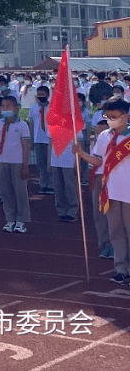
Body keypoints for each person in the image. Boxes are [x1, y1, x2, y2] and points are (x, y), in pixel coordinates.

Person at [74, 98, 130, 284]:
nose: (111, 120)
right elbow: (98, 161)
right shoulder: (105, 136)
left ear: (125, 116)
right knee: (116, 232)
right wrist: (81, 154)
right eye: (108, 117)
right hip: (111, 192)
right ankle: (121, 270)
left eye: (114, 116)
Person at [0, 95, 31, 233]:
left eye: (8, 106)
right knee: (6, 192)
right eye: (3, 106)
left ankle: (21, 220)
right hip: (2, 161)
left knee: (20, 192)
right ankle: (10, 219)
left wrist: (25, 165)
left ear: (16, 108)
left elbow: (26, 146)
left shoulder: (22, 125)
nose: (5, 109)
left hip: (17, 162)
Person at [29, 86, 54, 194]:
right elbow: (31, 124)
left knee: (51, 163)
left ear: (48, 95)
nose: (41, 97)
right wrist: (31, 139)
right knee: (41, 164)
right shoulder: (33, 108)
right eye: (39, 95)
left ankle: (52, 185)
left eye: (43, 95)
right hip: (38, 139)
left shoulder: (53, 108)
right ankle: (44, 185)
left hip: (50, 139)